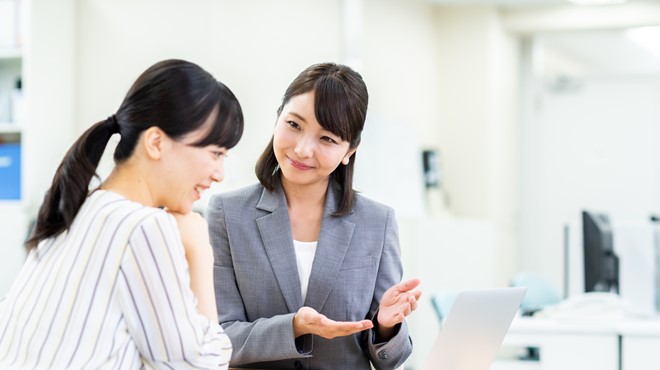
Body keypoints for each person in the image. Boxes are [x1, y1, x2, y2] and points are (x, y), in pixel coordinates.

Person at [0, 59, 243, 370]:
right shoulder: (144, 227)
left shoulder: (79, 208)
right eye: (216, 154)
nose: (219, 174)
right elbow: (200, 366)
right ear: (156, 142)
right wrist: (199, 251)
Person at [207, 62, 421, 370]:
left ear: (350, 151)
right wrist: (294, 326)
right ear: (278, 117)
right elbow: (220, 340)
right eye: (294, 125)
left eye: (327, 139)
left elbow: (392, 359)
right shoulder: (227, 213)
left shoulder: (378, 222)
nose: (303, 149)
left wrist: (386, 325)